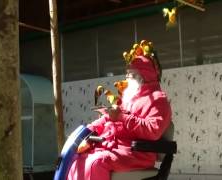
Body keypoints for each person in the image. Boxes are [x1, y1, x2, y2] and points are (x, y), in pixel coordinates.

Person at [67, 40, 172, 180]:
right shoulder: (130, 97)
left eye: (131, 75)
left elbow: (152, 130)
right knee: (76, 160)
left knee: (96, 163)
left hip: (137, 153)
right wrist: (89, 129)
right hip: (117, 148)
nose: (127, 78)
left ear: (144, 76)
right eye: (127, 74)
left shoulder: (158, 100)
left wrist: (122, 117)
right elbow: (110, 117)